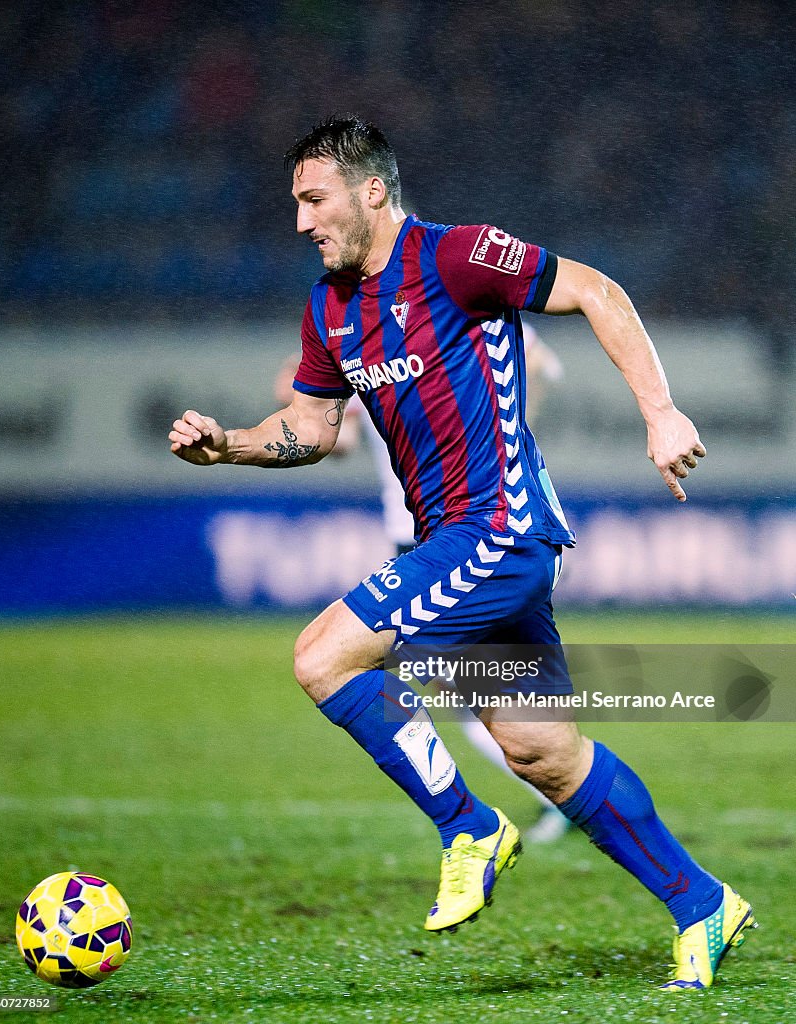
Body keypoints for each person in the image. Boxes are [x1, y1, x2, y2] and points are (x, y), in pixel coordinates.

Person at [169, 116, 755, 990]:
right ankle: (704, 904)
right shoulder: (330, 307)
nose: (301, 222)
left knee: (323, 655)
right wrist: (231, 446)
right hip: (458, 545)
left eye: (314, 199)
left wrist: (661, 412)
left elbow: (597, 290)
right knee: (540, 751)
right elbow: (310, 428)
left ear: (372, 191)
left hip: (502, 530)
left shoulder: (459, 257)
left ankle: (467, 828)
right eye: (294, 204)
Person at [275, 331, 573, 844]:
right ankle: (552, 789)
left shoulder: (445, 307)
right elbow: (339, 440)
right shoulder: (371, 335)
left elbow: (544, 363)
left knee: (395, 676)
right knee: (460, 685)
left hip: (452, 536)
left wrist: (500, 436)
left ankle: (517, 807)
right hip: (433, 535)